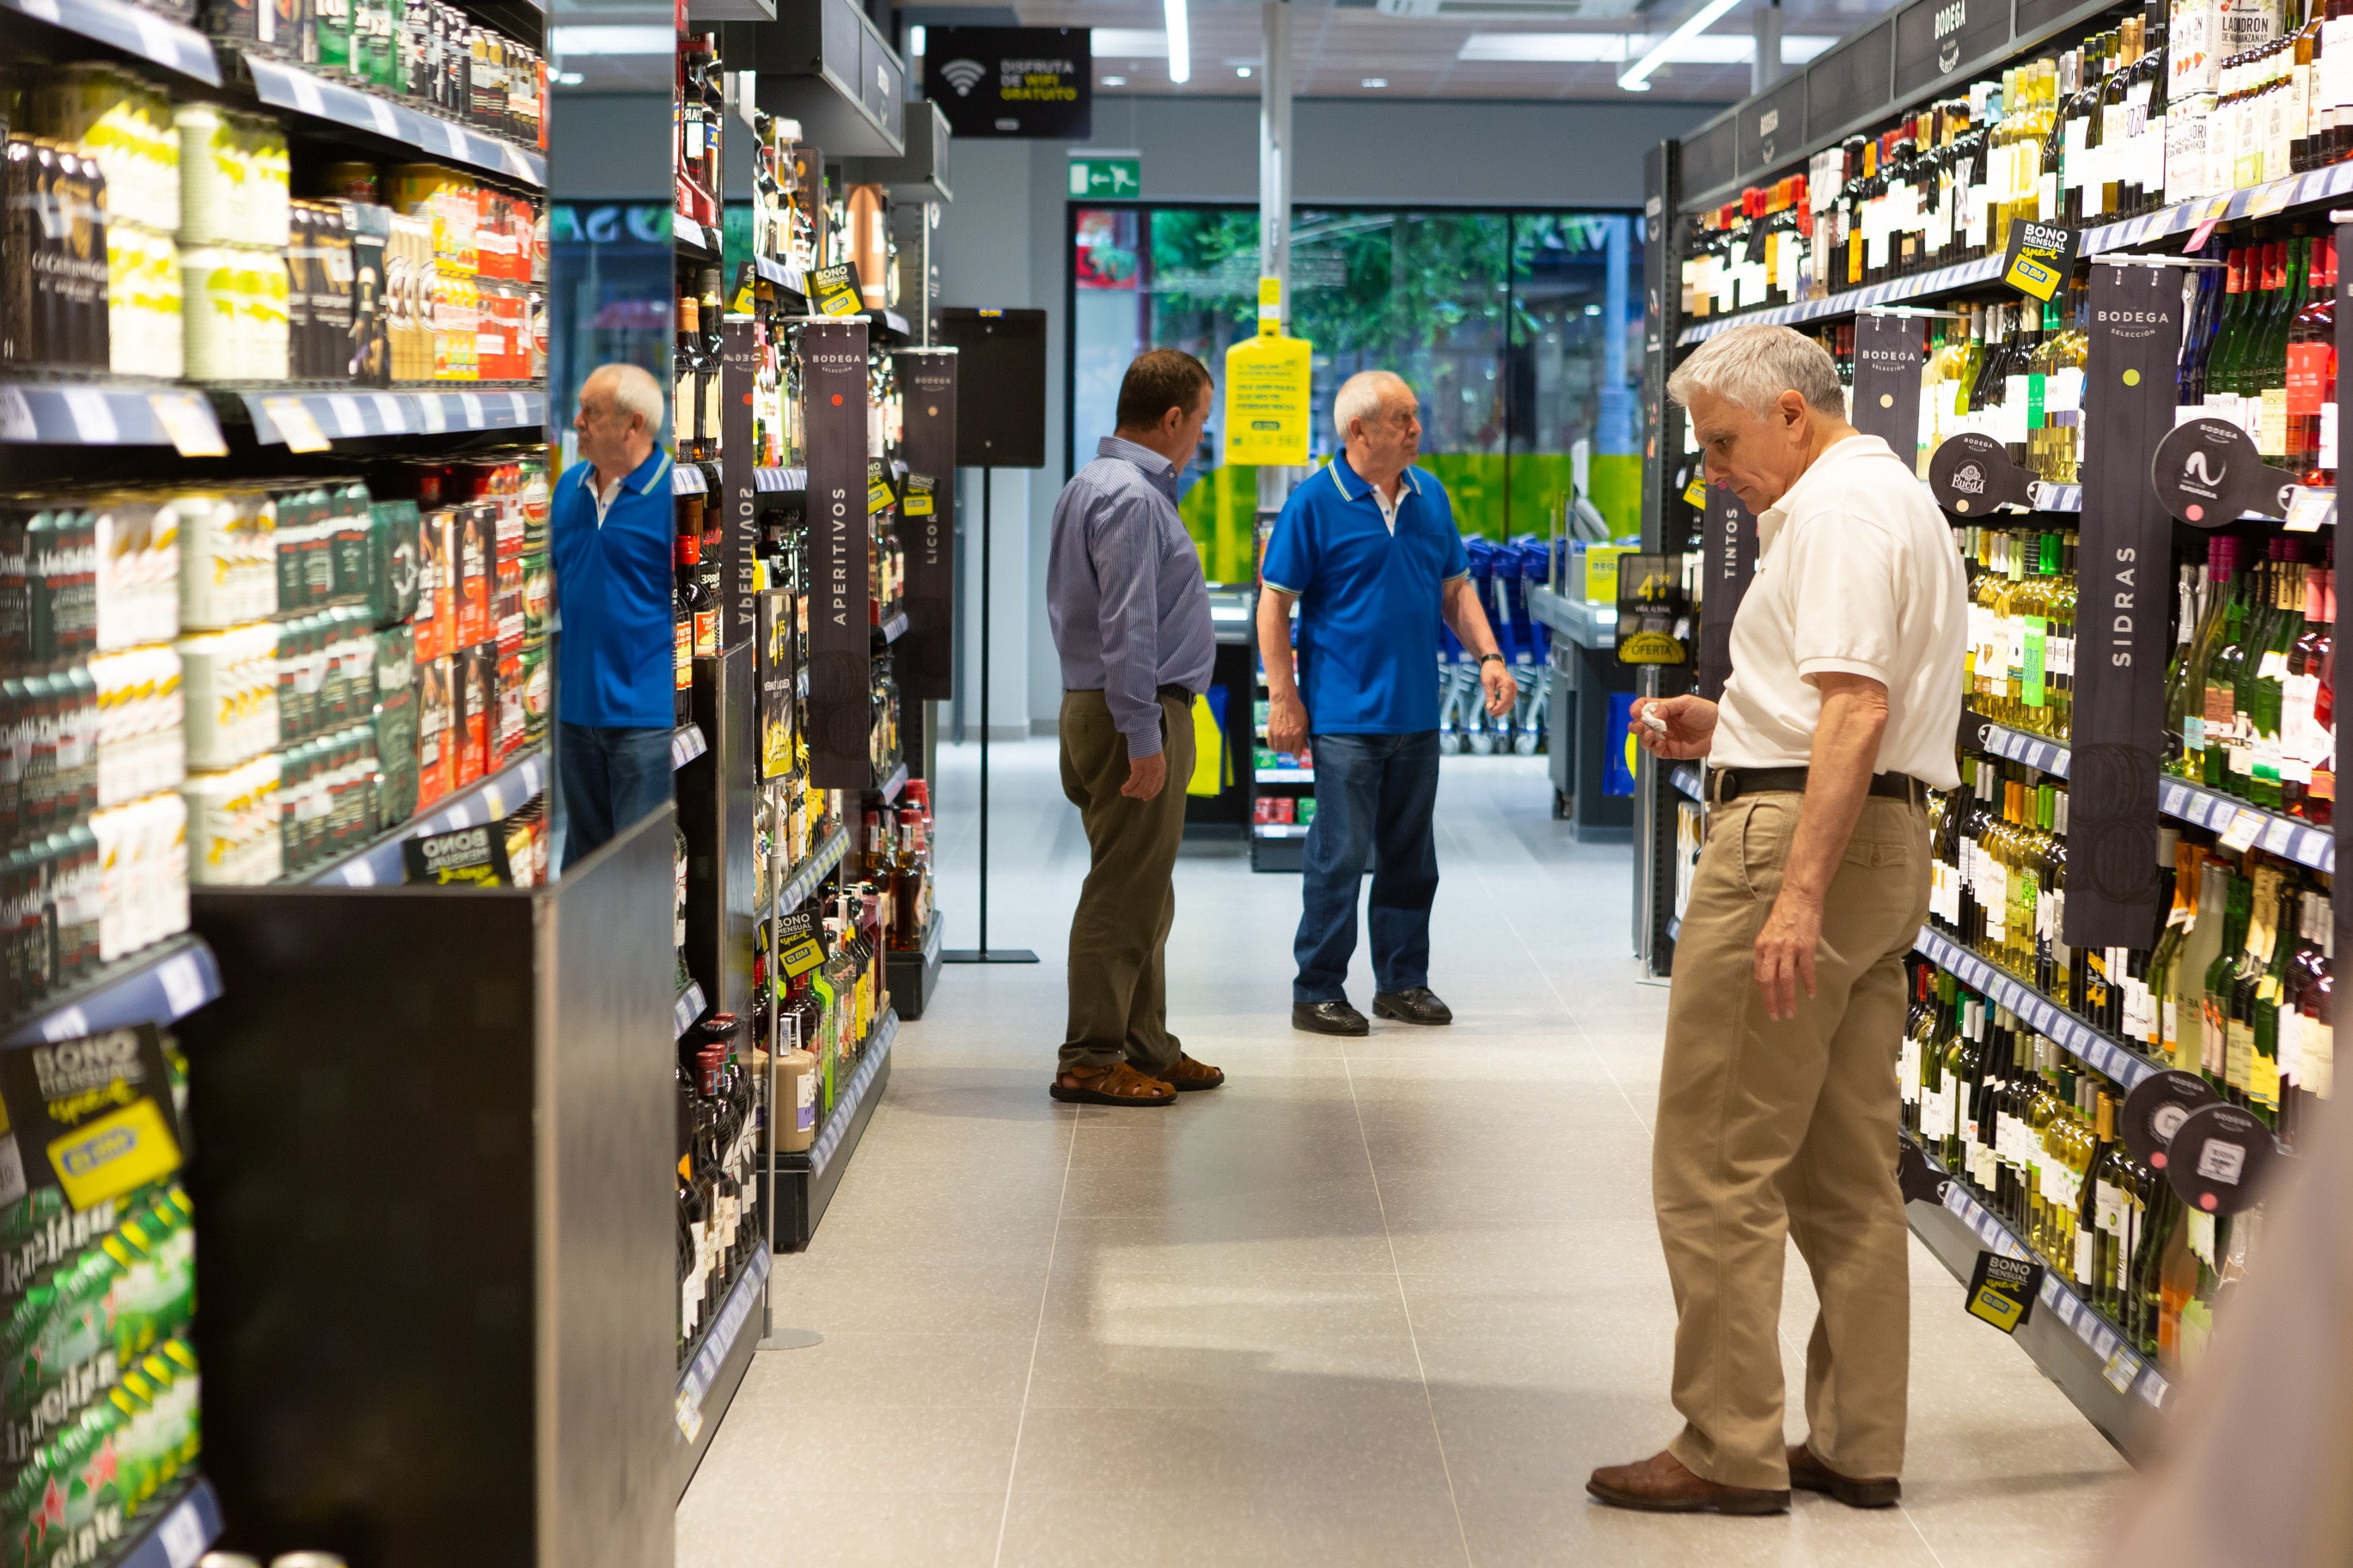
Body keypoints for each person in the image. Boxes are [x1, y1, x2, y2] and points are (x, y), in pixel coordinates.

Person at [1588, 322, 1965, 1514]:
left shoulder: (1836, 512)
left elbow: (1853, 710)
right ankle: (1857, 1440)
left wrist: (1794, 892)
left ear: (1791, 415)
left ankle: (1725, 1442)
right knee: (1841, 1170)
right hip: (1881, 837)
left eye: (1719, 443)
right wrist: (1732, 724)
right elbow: (1838, 706)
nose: (1711, 471)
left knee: (1713, 1157)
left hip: (1798, 848)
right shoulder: (1891, 497)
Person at [1257, 370, 1515, 1038]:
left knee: (1411, 858)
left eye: (1415, 415)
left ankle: (1402, 982)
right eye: (1402, 418)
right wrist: (1284, 697)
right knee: (1340, 856)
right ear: (1358, 430)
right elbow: (1274, 604)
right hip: (1345, 715)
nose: (1416, 428)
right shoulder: (1314, 503)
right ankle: (1317, 989)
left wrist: (1489, 655)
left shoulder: (1430, 496)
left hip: (1416, 712)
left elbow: (1455, 589)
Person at [1044, 349, 1226, 1107]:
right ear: (1173, 417)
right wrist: (1145, 735)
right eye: (1202, 421)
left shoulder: (1098, 484)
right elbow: (1129, 626)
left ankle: (1147, 1046)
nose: (1202, 437)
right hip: (1132, 714)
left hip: (1120, 709)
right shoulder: (1129, 497)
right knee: (1122, 893)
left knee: (1145, 889)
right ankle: (1089, 1057)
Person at [552, 363, 677, 869]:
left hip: (644, 722)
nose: (577, 421)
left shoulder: (674, 496)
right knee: (583, 872)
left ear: (633, 424)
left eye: (592, 412)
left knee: (635, 875)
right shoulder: (568, 489)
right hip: (576, 713)